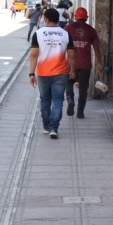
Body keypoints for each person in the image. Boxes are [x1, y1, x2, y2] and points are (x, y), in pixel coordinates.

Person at [29, 8, 76, 139]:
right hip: (60, 73)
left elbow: (33, 55)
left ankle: (46, 125)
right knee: (58, 100)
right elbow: (72, 55)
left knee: (45, 100)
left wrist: (31, 74)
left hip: (43, 73)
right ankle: (53, 128)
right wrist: (73, 70)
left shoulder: (38, 34)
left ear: (46, 18)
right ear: (57, 19)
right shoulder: (65, 34)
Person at [64, 7, 102, 118]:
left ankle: (70, 99)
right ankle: (80, 112)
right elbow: (96, 48)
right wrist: (99, 63)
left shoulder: (67, 28)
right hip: (85, 64)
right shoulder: (91, 30)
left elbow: (62, 46)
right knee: (83, 88)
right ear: (87, 17)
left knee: (69, 83)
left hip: (70, 64)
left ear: (75, 17)